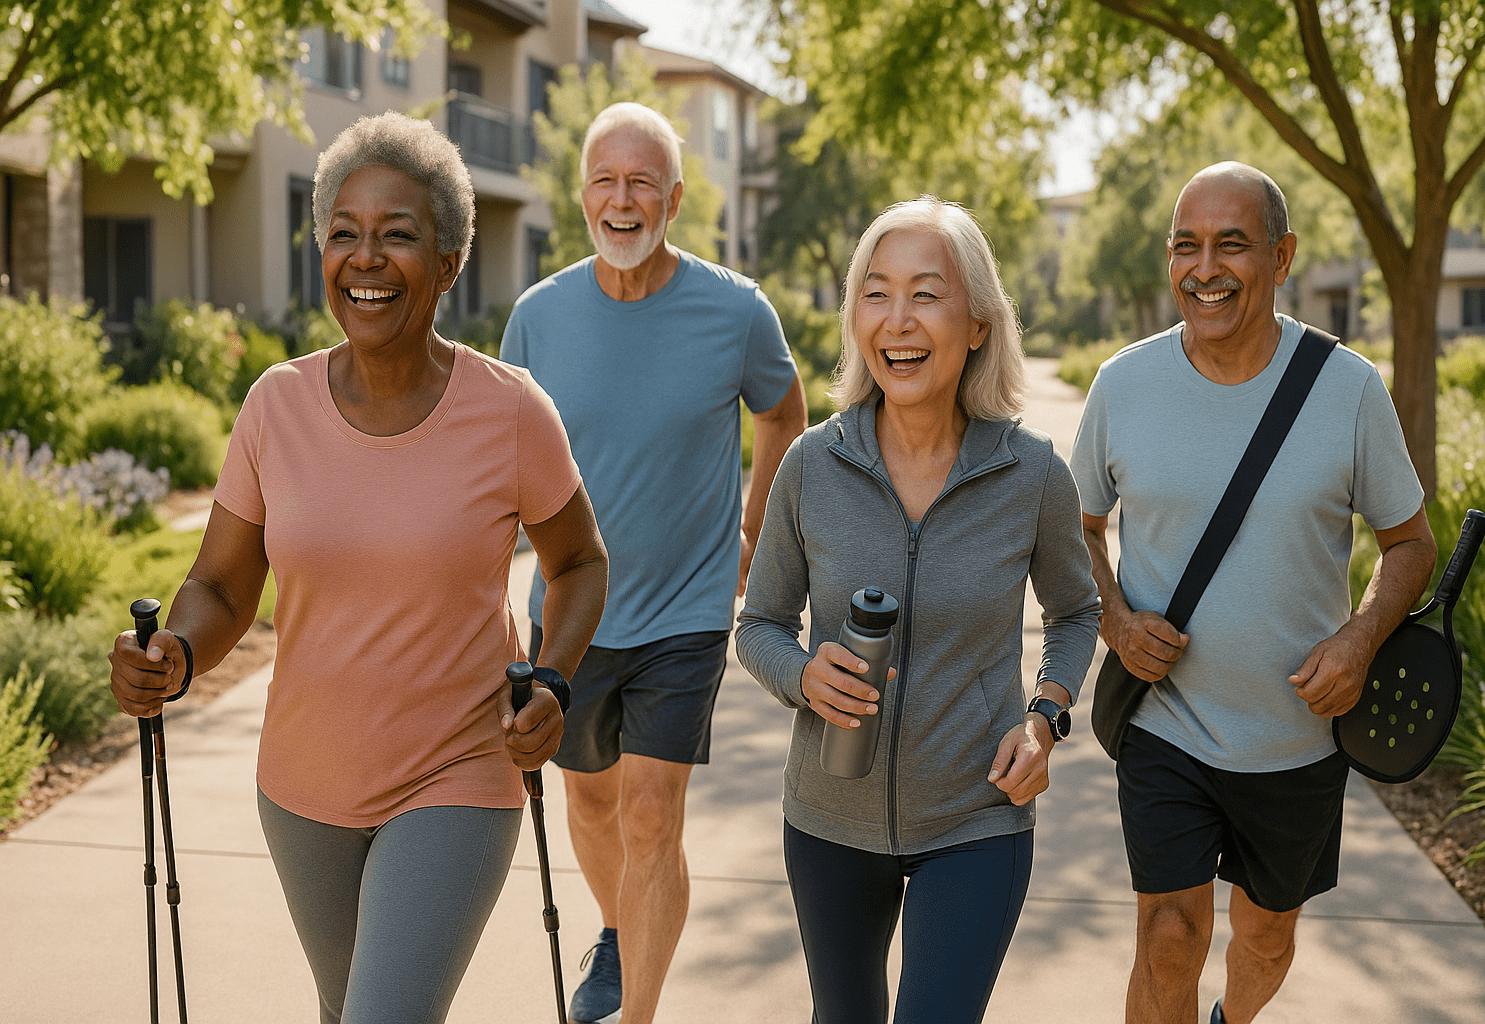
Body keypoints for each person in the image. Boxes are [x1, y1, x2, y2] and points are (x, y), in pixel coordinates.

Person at [108, 111, 609, 1024]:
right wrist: (175, 653)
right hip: (302, 791)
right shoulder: (275, 407)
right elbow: (221, 584)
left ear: (449, 263)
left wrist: (552, 681)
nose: (366, 258)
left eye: (397, 236)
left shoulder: (510, 413)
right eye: (344, 234)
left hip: (460, 773)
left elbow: (578, 561)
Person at [1069, 162, 1437, 1024]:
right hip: (1168, 722)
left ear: (1282, 256)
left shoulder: (1348, 389)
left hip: (1297, 738)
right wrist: (1117, 621)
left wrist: (1360, 638)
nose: (1206, 269)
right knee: (1168, 935)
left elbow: (1410, 544)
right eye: (1186, 247)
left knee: (1266, 937)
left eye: (1231, 245)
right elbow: (1073, 530)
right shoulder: (1124, 385)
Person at [735, 196, 1102, 1023]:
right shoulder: (811, 465)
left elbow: (1077, 612)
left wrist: (1045, 718)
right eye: (876, 291)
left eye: (926, 294)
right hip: (829, 820)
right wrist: (802, 677)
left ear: (977, 322)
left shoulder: (1031, 473)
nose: (898, 320)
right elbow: (758, 624)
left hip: (978, 816)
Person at [499, 101, 806, 1024]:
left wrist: (756, 531)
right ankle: (619, 930)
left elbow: (782, 413)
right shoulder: (537, 318)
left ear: (674, 198)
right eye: (605, 180)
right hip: (573, 614)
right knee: (590, 807)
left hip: (686, 611)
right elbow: (501, 466)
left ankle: (638, 1013)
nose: (622, 199)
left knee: (651, 813)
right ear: (582, 196)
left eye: (642, 182)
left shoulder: (735, 311)